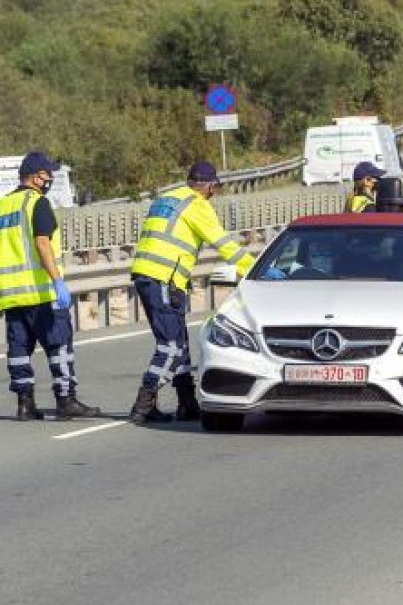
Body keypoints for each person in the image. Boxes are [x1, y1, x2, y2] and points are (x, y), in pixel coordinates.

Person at [127, 161, 255, 424]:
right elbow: (224, 245)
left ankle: (187, 403)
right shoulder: (197, 205)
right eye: (215, 188)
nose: (214, 194)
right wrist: (254, 270)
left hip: (147, 274)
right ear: (207, 186)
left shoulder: (168, 198)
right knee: (171, 346)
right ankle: (144, 402)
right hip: (164, 276)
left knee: (179, 342)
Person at [0, 152, 102, 421]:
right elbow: (42, 243)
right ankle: (65, 399)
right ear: (36, 177)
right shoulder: (37, 203)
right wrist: (57, 280)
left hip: (11, 297)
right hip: (41, 292)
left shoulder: (3, 206)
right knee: (59, 346)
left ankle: (25, 404)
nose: (50, 179)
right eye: (48, 174)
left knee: (19, 350)